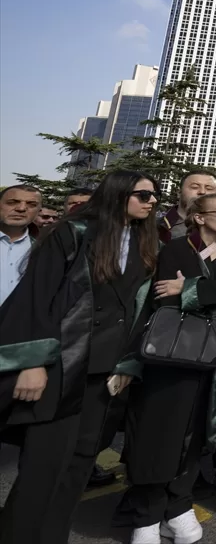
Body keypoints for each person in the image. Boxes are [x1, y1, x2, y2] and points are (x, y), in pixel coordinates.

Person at [0, 170, 160, 544]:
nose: (152, 202)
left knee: (80, 462)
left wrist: (126, 364)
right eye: (144, 195)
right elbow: (37, 300)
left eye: (155, 196)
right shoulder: (72, 233)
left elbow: (137, 309)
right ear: (119, 194)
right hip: (62, 364)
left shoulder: (142, 241)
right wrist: (33, 362)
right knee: (44, 465)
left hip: (106, 371)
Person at [116, 193, 216, 543]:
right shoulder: (176, 249)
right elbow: (164, 293)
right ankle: (147, 514)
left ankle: (179, 506)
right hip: (174, 353)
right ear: (198, 217)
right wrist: (206, 291)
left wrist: (190, 288)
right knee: (160, 433)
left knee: (199, 434)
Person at [0, 184, 40, 306]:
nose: (21, 208)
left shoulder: (46, 247)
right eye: (12, 202)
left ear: (39, 210)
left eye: (31, 204)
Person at [159, 170, 216, 243]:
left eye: (209, 188)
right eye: (195, 187)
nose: (202, 192)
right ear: (179, 192)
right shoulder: (155, 227)